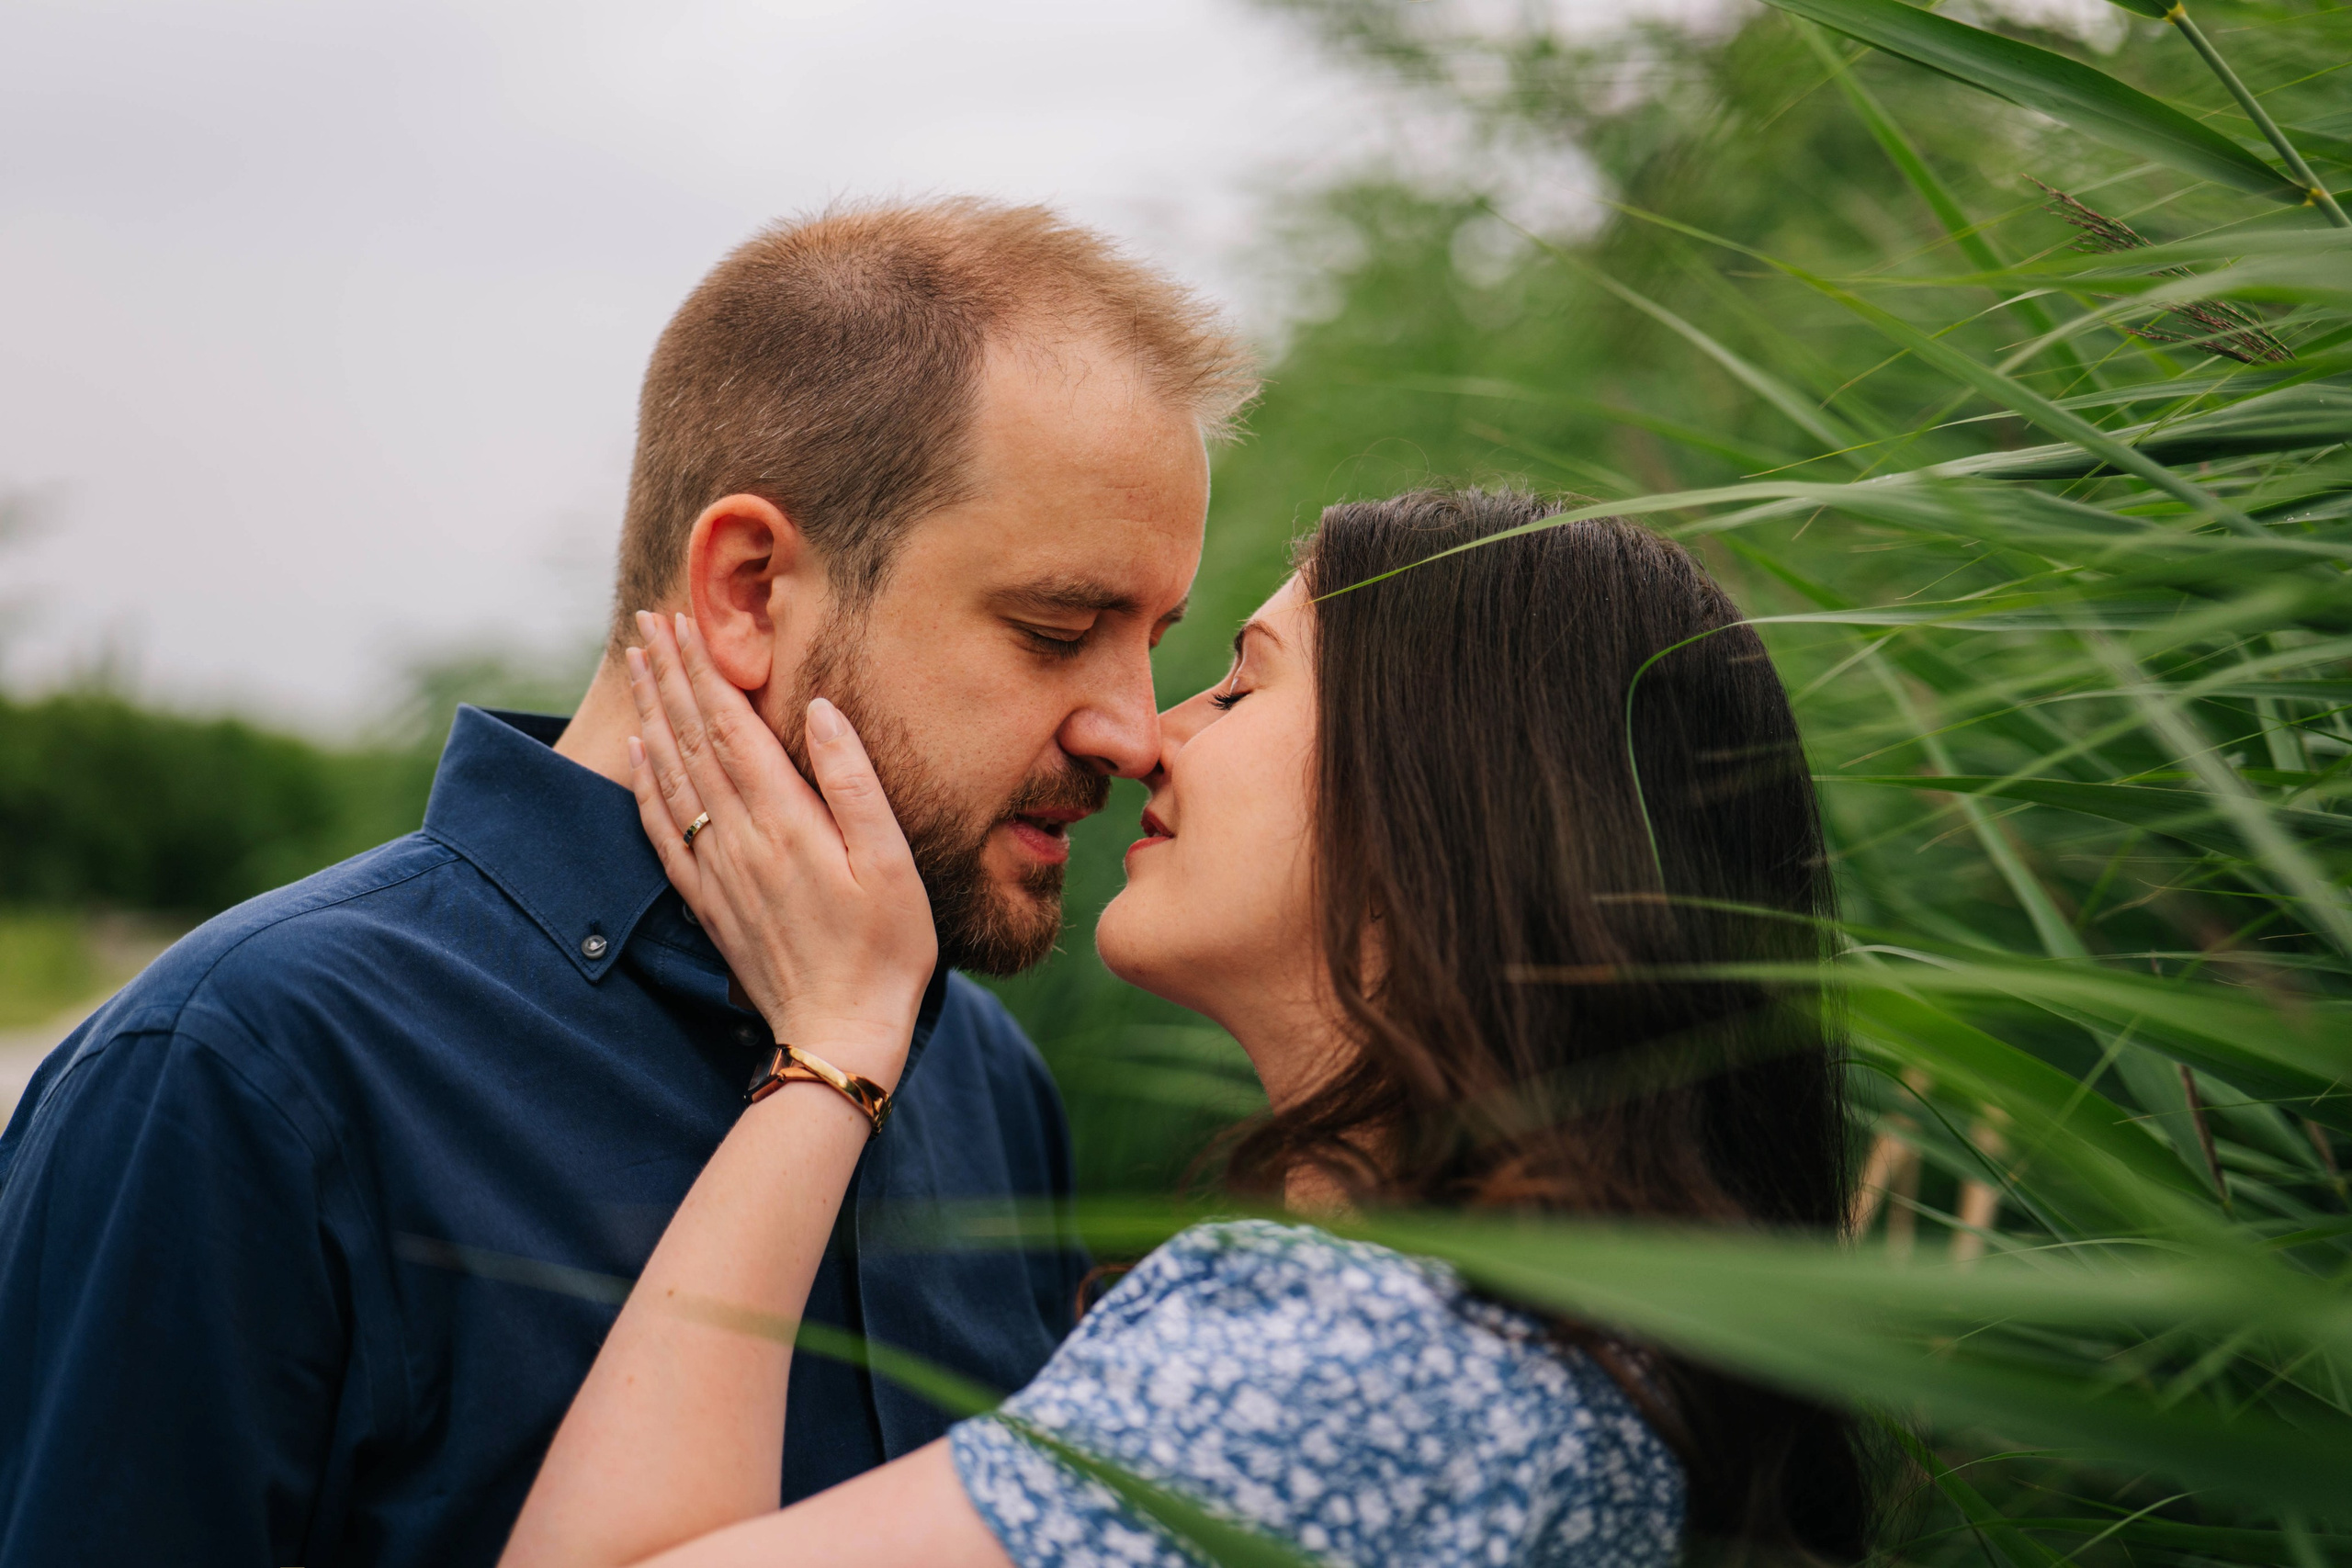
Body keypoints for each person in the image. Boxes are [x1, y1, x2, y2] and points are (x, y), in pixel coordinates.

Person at [0, 200, 1257, 1566]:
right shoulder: (247, 1071)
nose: (1135, 731)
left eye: (1152, 637)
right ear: (749, 587)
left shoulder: (981, 1070)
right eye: (1056, 629)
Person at [502, 491, 1875, 1568]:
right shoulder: (1565, 1341)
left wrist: (834, 1041)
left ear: (1438, 797)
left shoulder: (1355, 1376)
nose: (1153, 738)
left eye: (1243, 680)